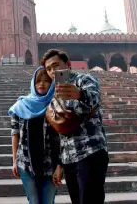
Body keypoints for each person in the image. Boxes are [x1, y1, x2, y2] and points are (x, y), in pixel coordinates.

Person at [41, 49, 108, 204]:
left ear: (68, 65)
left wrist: (80, 94)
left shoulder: (84, 80)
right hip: (69, 158)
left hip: (90, 152)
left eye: (56, 66)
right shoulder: (55, 95)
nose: (52, 71)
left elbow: (94, 100)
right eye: (49, 69)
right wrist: (59, 165)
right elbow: (60, 132)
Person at [9, 66, 63, 204]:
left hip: (51, 163)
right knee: (34, 201)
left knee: (47, 201)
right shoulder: (21, 106)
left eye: (46, 81)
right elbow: (15, 134)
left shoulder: (57, 105)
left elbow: (64, 137)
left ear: (52, 84)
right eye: (38, 81)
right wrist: (14, 160)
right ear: (33, 83)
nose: (41, 84)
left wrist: (60, 166)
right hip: (26, 162)